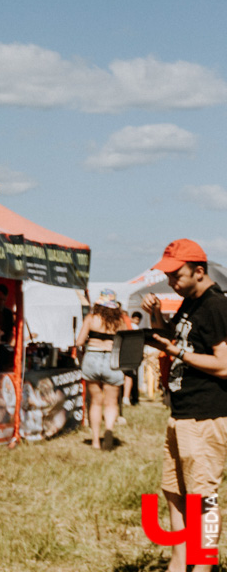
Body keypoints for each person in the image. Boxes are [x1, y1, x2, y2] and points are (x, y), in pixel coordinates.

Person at [141, 239, 227, 572]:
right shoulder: (190, 302)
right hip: (181, 413)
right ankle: (178, 564)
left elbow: (223, 365)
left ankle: (203, 567)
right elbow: (177, 342)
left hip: (205, 416)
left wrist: (174, 351)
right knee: (174, 493)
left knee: (202, 500)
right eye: (168, 275)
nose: (171, 282)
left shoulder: (217, 306)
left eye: (177, 275)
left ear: (199, 271)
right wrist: (154, 317)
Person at [75, 289, 128, 450]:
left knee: (96, 402)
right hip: (113, 359)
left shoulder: (91, 319)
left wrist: (82, 356)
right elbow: (127, 343)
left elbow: (79, 342)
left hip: (92, 358)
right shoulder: (120, 322)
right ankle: (109, 431)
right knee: (111, 403)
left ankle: (96, 441)